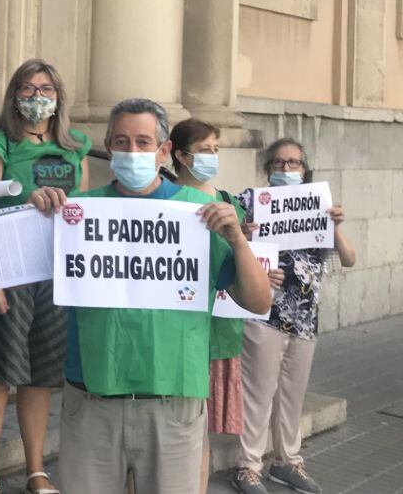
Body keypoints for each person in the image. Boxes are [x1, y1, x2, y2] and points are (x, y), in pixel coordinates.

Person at [29, 98, 272, 494]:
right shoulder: (77, 211)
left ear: (163, 151)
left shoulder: (202, 213)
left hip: (171, 401)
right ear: (108, 147)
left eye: (144, 142)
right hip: (92, 400)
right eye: (122, 142)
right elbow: (17, 269)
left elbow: (259, 302)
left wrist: (237, 240)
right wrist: (33, 212)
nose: (132, 152)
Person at [0, 59, 90, 494]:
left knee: (41, 379)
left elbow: (83, 214)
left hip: (56, 278)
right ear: (14, 97)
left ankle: (36, 471)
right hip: (8, 274)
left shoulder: (77, 148)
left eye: (46, 89)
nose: (37, 98)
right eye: (28, 89)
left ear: (59, 97)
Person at [230, 138, 357, 494]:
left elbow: (348, 259)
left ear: (305, 169)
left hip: (304, 318)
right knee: (258, 393)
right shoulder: (249, 203)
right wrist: (242, 236)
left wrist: (338, 226)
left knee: (292, 395)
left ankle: (287, 462)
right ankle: (247, 466)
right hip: (263, 313)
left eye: (294, 164)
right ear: (268, 168)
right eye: (279, 164)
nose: (287, 170)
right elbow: (223, 243)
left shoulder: (320, 208)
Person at [168, 118, 248, 493]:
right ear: (181, 156)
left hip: (219, 333)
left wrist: (262, 269)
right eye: (204, 151)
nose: (212, 157)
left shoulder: (231, 204)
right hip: (178, 332)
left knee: (199, 436)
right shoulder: (164, 200)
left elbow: (246, 265)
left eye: (216, 150)